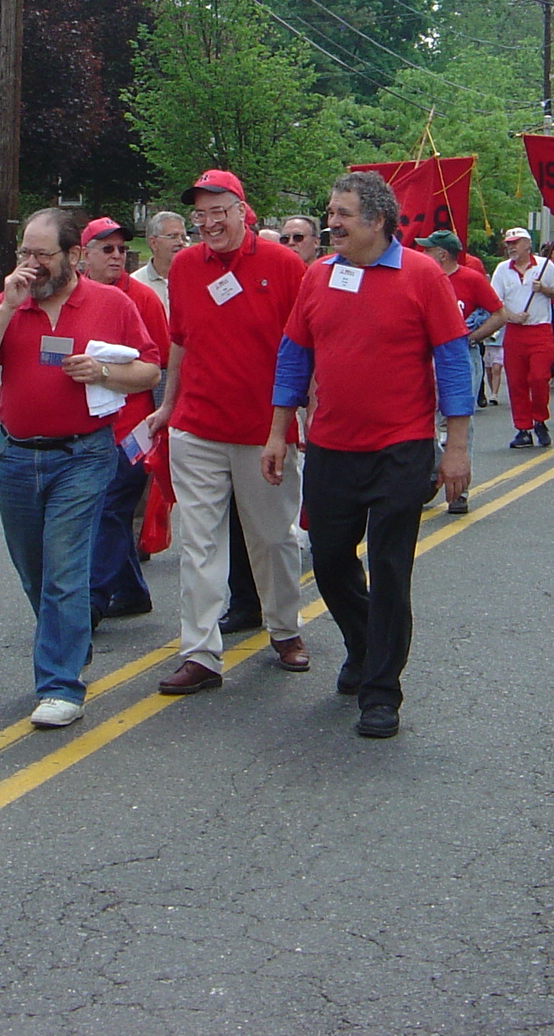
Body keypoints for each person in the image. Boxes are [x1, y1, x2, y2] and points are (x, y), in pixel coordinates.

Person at [264, 171, 471, 739]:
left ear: (377, 221)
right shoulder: (317, 277)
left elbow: (454, 363)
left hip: (400, 450)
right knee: (329, 562)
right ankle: (363, 642)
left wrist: (455, 448)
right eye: (329, 212)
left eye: (343, 214)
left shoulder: (423, 275)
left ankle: (382, 690)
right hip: (330, 446)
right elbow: (292, 357)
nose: (331, 223)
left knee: (389, 567)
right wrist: (279, 432)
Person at [0, 209, 161, 730]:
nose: (31, 264)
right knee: (34, 569)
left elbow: (149, 370)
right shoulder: (11, 303)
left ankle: (60, 685)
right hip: (19, 455)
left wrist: (105, 372)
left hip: (83, 455)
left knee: (66, 568)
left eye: (42, 255)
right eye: (25, 253)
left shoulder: (111, 303)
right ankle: (70, 642)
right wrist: (6, 308)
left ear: (72, 257)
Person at [147, 170, 310, 696]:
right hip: (196, 428)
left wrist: (293, 425)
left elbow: (304, 348)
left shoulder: (284, 265)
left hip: (265, 431)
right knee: (198, 544)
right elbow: (179, 341)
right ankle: (200, 653)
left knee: (272, 538)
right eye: (201, 214)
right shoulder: (186, 267)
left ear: (244, 211)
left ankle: (284, 629)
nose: (210, 222)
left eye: (220, 211)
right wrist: (168, 407)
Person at [77, 217, 169, 624]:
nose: (117, 256)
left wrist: (162, 421)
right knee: (105, 508)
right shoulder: (74, 299)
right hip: (91, 426)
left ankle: (92, 601)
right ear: (84, 257)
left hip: (134, 427)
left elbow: (162, 364)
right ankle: (131, 591)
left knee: (112, 508)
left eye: (121, 250)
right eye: (107, 249)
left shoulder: (143, 299)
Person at [417, 229, 504, 513]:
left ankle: (459, 491)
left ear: (442, 254)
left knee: (458, 420)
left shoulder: (470, 279)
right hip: (426, 355)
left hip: (461, 355)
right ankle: (431, 473)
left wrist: (473, 336)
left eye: (428, 250)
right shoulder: (424, 279)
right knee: (421, 418)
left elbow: (499, 314)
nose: (423, 253)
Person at [490, 228, 554, 449]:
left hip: (540, 330)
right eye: (508, 243)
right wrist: (512, 316)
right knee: (516, 382)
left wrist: (544, 289)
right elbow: (495, 301)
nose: (511, 247)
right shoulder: (502, 270)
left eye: (515, 242)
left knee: (539, 378)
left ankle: (539, 418)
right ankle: (523, 428)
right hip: (514, 332)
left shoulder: (545, 266)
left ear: (527, 244)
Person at [132, 210, 186, 316]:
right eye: (173, 236)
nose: (180, 242)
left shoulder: (195, 278)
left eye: (183, 237)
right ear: (153, 243)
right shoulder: (137, 283)